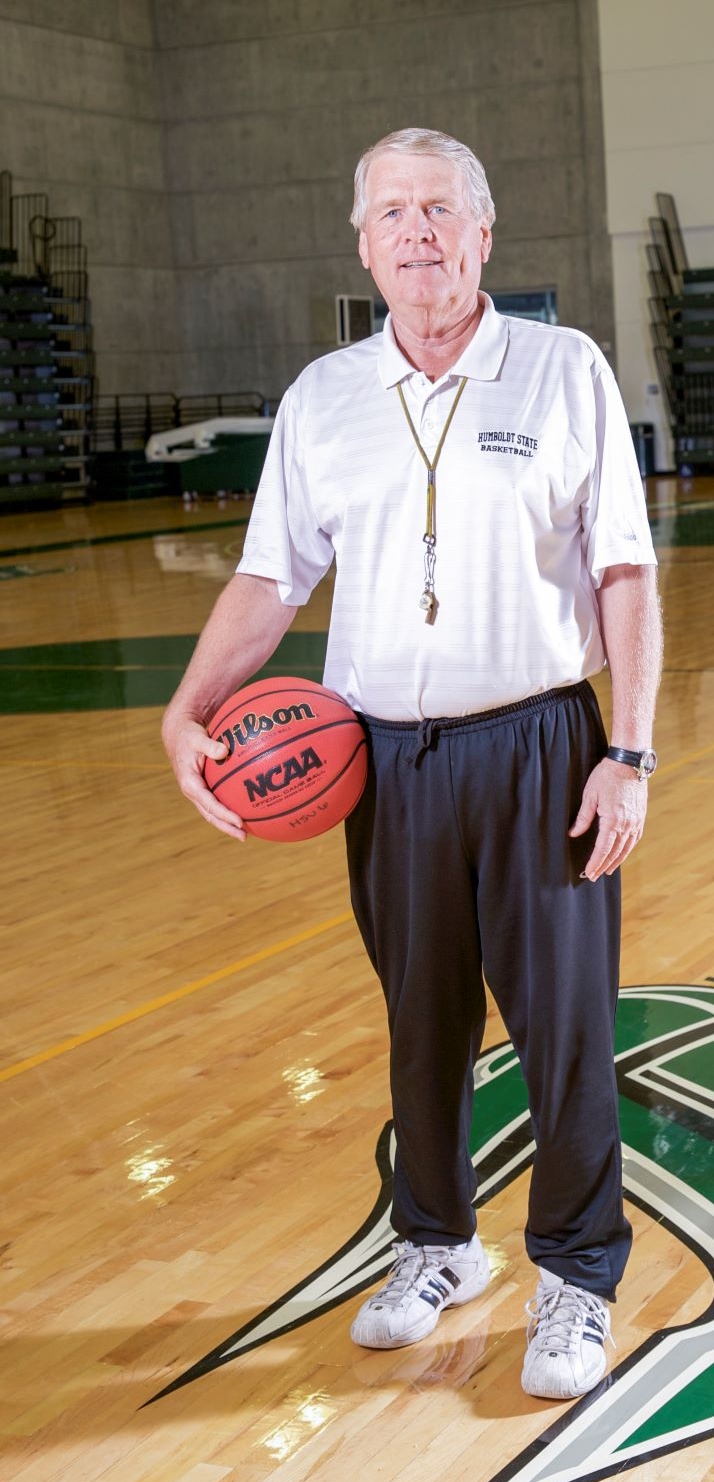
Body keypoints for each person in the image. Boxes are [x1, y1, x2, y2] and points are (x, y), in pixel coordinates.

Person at [161, 127, 662, 1401]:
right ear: (364, 243)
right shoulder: (322, 398)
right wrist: (190, 706)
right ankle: (438, 1244)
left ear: (484, 233)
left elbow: (624, 571)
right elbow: (273, 577)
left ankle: (577, 1277)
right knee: (420, 1021)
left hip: (543, 747)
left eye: (441, 209)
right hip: (383, 763)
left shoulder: (562, 370)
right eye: (394, 213)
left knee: (564, 1031)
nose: (419, 232)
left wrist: (634, 753)